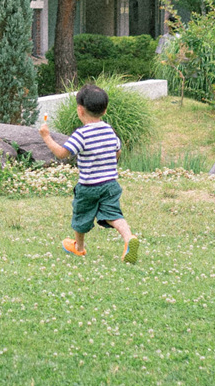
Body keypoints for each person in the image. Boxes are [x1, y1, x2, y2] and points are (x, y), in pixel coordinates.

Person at [39, 83, 140, 262]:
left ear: (80, 110)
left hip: (88, 186)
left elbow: (62, 153)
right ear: (105, 110)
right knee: (113, 213)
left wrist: (46, 136)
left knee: (81, 215)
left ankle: (79, 248)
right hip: (110, 184)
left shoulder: (82, 134)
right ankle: (128, 238)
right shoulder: (109, 130)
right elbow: (117, 151)